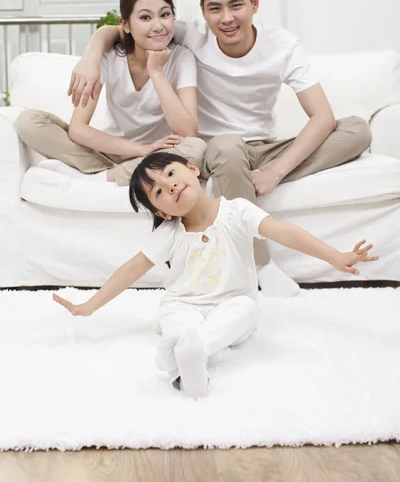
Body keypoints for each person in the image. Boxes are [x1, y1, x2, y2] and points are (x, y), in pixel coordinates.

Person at [65, 0, 372, 297]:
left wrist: (276, 171)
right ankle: (260, 266)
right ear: (202, 10)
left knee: (357, 129)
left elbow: (323, 117)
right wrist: (91, 57)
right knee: (225, 144)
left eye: (236, 5)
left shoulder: (282, 45)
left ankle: (244, 177)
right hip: (212, 150)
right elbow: (121, 28)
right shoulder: (188, 34)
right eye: (215, 8)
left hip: (263, 148)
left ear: (254, 3)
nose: (226, 18)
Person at [53, 152, 378, 400]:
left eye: (170, 174)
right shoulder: (169, 232)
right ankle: (188, 355)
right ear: (162, 212)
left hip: (232, 301)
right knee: (178, 322)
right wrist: (90, 305)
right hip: (182, 303)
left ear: (192, 169)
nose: (170, 186)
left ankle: (193, 350)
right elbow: (131, 269)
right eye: (159, 193)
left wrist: (334, 256)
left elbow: (283, 232)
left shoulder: (237, 211)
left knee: (245, 311)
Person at [14, 0, 206, 186]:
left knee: (195, 148)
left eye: (165, 14)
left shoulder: (182, 58)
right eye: (145, 17)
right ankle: (117, 173)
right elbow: (78, 129)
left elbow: (186, 132)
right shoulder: (110, 57)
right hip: (114, 150)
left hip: (159, 155)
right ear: (126, 25)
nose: (158, 25)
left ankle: (102, 175)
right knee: (28, 121)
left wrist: (156, 72)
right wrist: (142, 149)